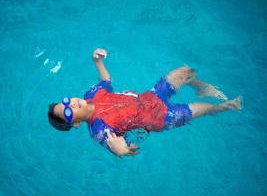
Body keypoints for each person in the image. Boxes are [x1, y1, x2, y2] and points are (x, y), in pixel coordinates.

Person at [48, 48, 241, 156]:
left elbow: (106, 81)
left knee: (185, 72)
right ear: (75, 123)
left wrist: (96, 61)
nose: (70, 104)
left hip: (153, 96)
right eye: (67, 112)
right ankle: (225, 106)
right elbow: (118, 147)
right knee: (206, 108)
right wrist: (122, 150)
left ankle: (200, 87)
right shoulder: (99, 129)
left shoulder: (91, 93)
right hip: (162, 117)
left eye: (65, 101)